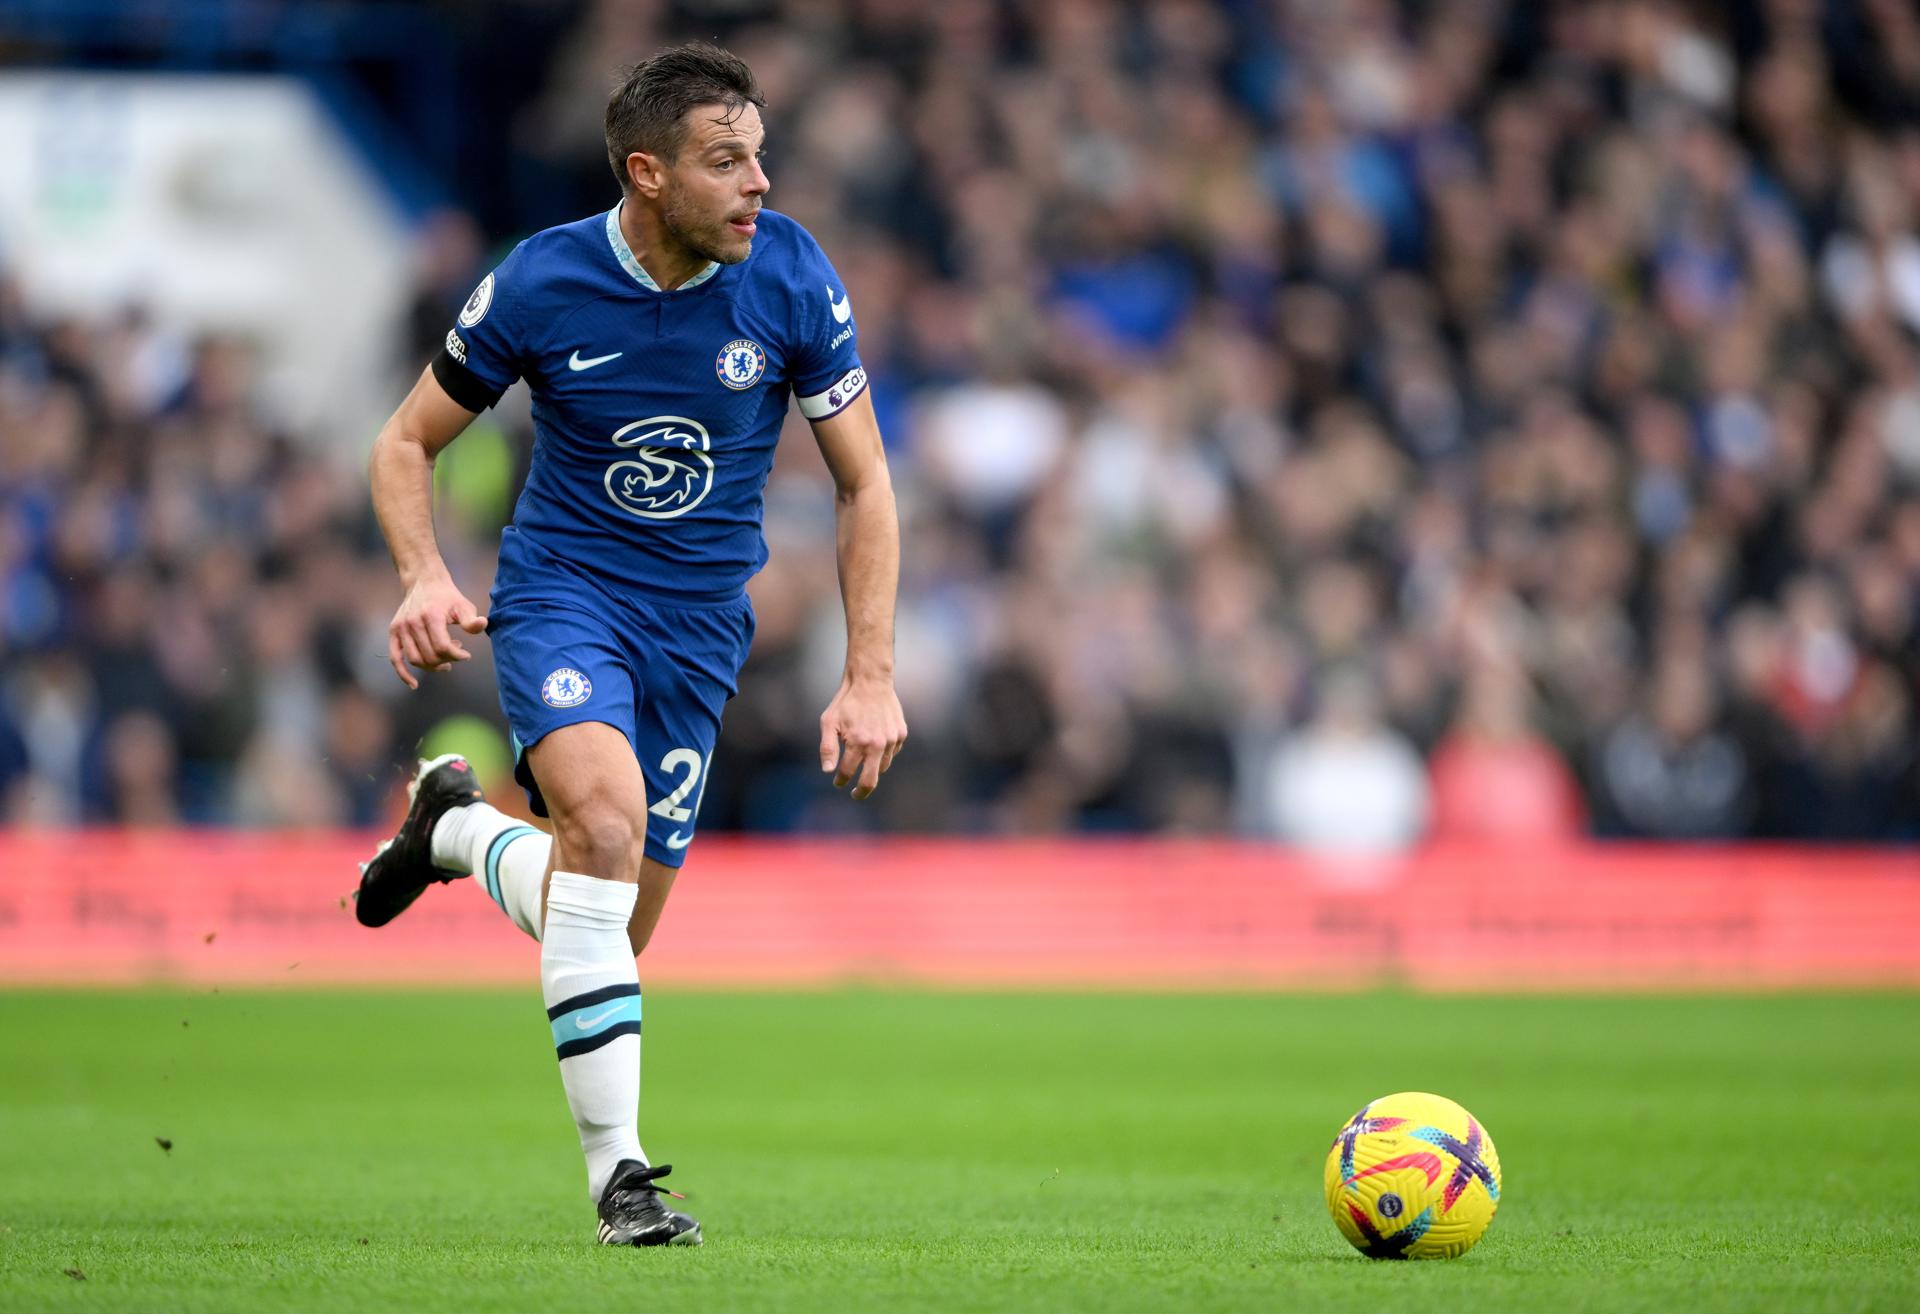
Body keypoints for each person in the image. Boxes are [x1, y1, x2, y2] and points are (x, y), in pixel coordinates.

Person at [353, 43, 907, 1248]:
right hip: (564, 599)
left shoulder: (794, 276)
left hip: (702, 634)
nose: (760, 182)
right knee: (600, 828)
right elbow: (405, 443)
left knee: (606, 917)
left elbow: (866, 486)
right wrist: (423, 575)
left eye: (761, 154)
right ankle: (623, 1180)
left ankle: (455, 829)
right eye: (728, 161)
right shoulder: (542, 281)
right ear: (647, 174)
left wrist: (869, 673)